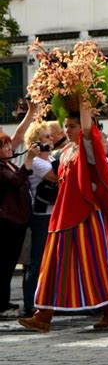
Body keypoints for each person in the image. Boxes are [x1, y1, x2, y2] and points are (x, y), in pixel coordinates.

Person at [18, 100, 108, 333]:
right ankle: (43, 315)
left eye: (72, 126)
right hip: (63, 213)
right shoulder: (66, 151)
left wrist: (84, 97)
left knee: (97, 264)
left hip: (86, 215)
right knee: (54, 264)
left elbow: (89, 132)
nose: (67, 130)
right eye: (66, 126)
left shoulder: (89, 149)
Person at [22, 121, 58, 317]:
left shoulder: (50, 157)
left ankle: (46, 301)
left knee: (49, 261)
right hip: (41, 216)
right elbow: (56, 177)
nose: (51, 139)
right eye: (46, 137)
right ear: (36, 141)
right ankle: (30, 303)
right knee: (37, 261)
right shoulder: (36, 161)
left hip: (52, 214)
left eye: (51, 136)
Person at [0, 133, 36, 318]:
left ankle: (4, 300)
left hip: (17, 220)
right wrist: (29, 160)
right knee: (4, 263)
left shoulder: (9, 163)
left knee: (9, 263)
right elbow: (16, 180)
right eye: (5, 147)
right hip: (7, 222)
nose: (9, 149)